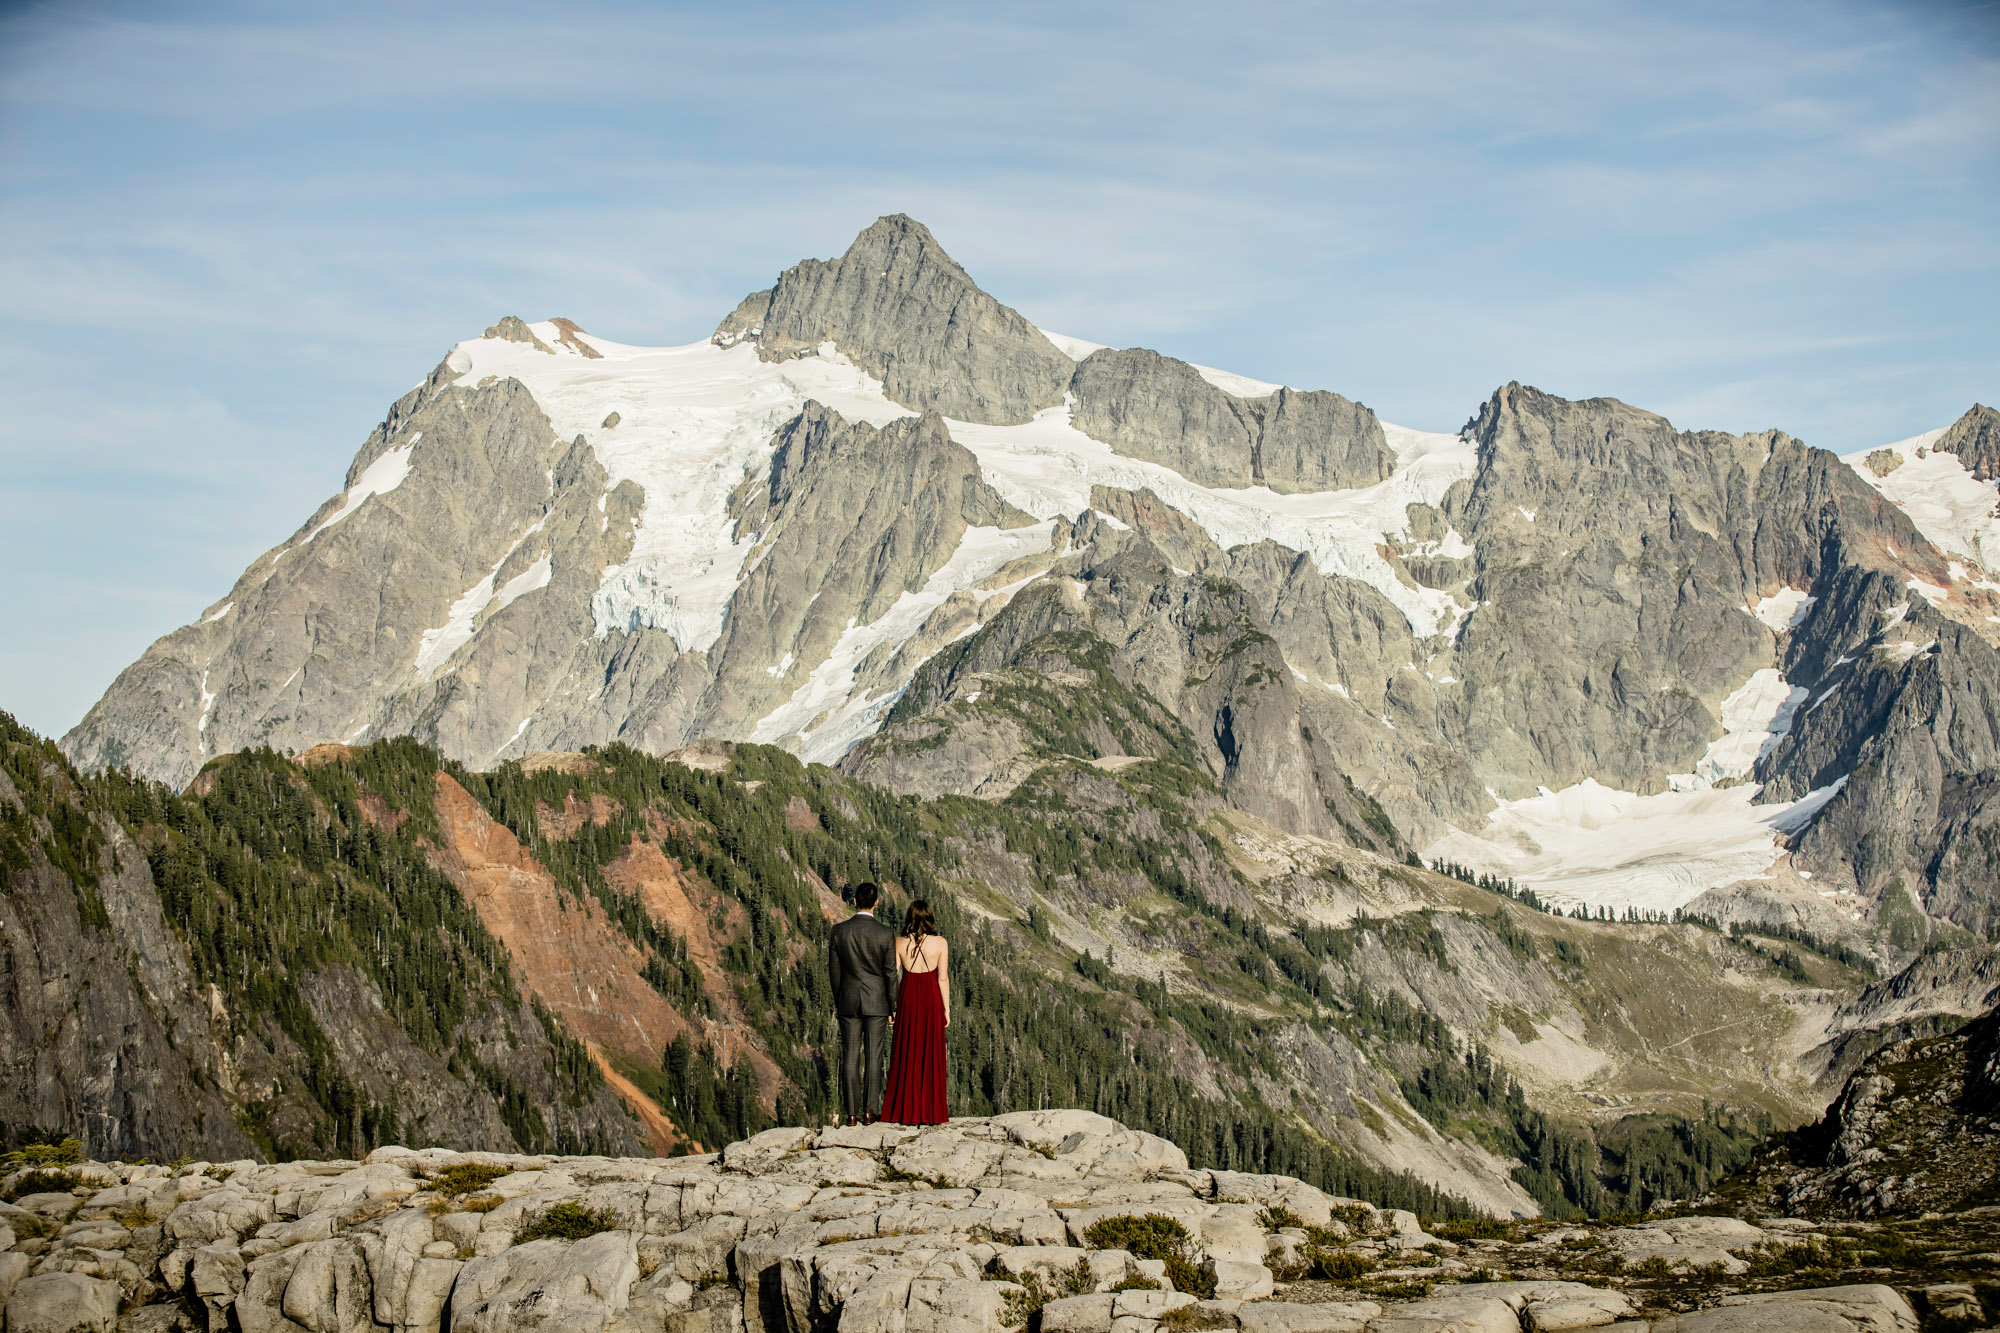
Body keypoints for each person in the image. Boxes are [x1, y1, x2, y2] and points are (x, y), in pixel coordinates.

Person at [828, 882, 898, 1127]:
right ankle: (870, 1112)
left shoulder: (839, 932)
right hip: (877, 1002)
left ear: (854, 901)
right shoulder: (885, 933)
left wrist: (840, 999)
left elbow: (834, 973)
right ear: (876, 903)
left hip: (848, 1000)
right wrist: (893, 1006)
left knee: (850, 1056)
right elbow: (890, 973)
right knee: (874, 1057)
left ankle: (851, 1114)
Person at [879, 898, 949, 1125]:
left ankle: (903, 1111)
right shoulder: (940, 943)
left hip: (907, 995)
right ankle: (931, 1112)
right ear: (929, 917)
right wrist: (946, 1008)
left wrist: (892, 1008)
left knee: (907, 1049)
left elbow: (893, 976)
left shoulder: (899, 943)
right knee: (930, 1052)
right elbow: (943, 978)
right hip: (931, 998)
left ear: (909, 917)